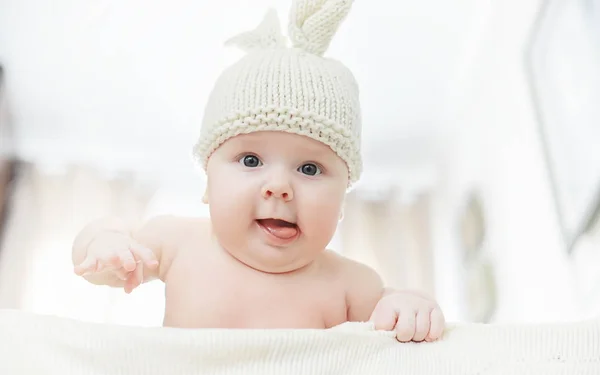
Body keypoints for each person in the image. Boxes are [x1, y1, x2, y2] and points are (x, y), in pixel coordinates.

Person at [72, 0, 445, 342]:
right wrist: (106, 243)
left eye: (310, 168)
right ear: (208, 182)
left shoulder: (351, 285)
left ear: (343, 200)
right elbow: (95, 265)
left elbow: (393, 321)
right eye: (250, 160)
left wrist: (408, 304)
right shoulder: (176, 243)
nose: (279, 187)